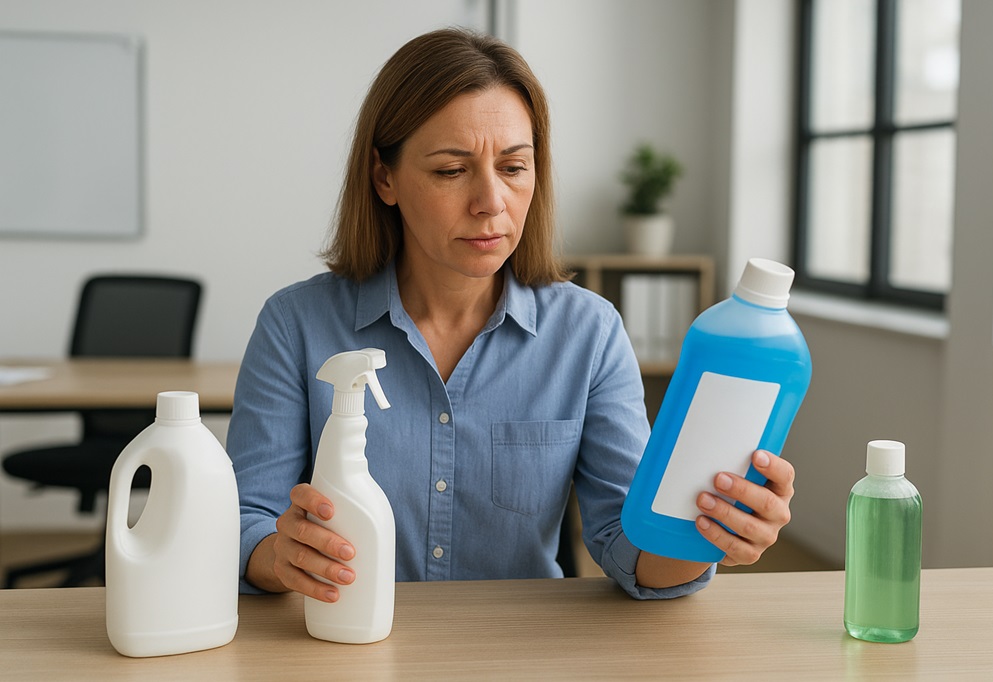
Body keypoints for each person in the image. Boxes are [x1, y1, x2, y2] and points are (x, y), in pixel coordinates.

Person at [226, 28, 796, 602]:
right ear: (384, 177)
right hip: (347, 643)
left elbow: (630, 552)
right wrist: (282, 555)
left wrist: (706, 530)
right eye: (452, 171)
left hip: (523, 651)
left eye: (514, 168)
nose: (491, 202)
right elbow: (247, 524)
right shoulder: (294, 325)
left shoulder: (589, 334)